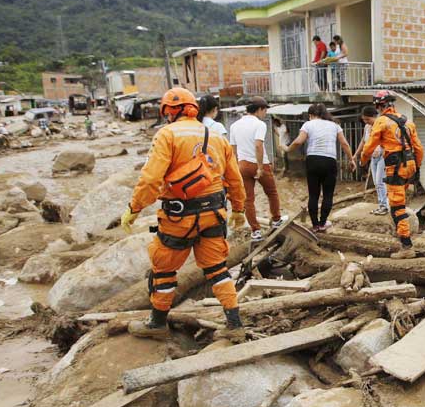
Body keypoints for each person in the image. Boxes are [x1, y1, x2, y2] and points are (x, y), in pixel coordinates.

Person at [119, 87, 247, 342]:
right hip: (214, 214)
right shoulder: (216, 136)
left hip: (179, 218)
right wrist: (240, 209)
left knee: (164, 270)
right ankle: (234, 323)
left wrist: (133, 209)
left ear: (168, 111)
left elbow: (150, 179)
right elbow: (234, 179)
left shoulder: (166, 135)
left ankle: (157, 323)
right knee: (217, 269)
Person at [360, 90, 424, 258]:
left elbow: (369, 147)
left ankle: (406, 246)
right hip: (409, 165)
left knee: (397, 207)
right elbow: (419, 149)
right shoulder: (407, 122)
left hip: (395, 166)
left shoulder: (381, 122)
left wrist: (363, 161)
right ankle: (403, 235)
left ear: (379, 106)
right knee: (400, 202)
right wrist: (417, 166)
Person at [286, 103, 356, 231]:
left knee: (314, 195)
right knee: (328, 195)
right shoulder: (335, 125)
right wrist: (351, 160)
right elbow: (345, 144)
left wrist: (287, 149)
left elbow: (298, 142)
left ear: (311, 115)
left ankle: (315, 225)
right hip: (330, 160)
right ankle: (323, 223)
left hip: (313, 160)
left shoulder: (308, 124)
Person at [229, 96, 282, 241]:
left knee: (248, 200)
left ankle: (256, 231)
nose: (265, 114)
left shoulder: (234, 126)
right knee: (272, 192)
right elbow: (258, 146)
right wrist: (259, 167)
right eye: (265, 110)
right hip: (259, 163)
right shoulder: (260, 124)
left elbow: (233, 150)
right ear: (259, 109)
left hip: (242, 164)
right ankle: (276, 220)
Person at [354, 106, 387, 215]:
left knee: (380, 181)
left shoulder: (381, 125)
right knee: (377, 183)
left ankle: (384, 206)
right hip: (373, 157)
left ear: (374, 116)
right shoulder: (367, 127)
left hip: (383, 156)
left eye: (367, 119)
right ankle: (381, 204)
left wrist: (382, 150)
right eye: (364, 120)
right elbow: (363, 142)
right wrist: (356, 155)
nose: (366, 122)